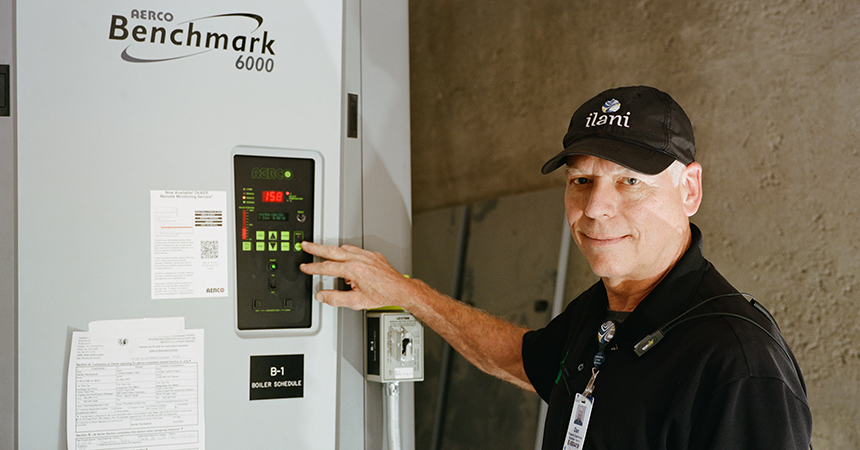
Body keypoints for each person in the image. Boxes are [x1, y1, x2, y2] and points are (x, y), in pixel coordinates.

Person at [300, 86, 812, 449]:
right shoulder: (602, 313)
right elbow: (518, 359)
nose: (594, 208)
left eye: (629, 182)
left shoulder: (738, 364)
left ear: (690, 189)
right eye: (581, 181)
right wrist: (406, 293)